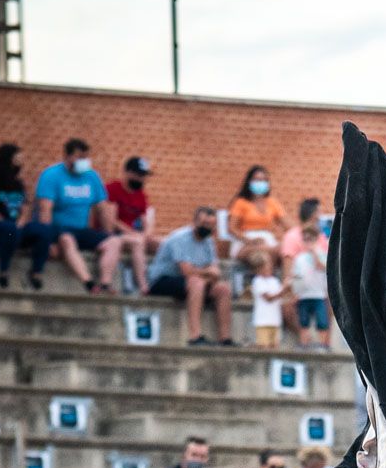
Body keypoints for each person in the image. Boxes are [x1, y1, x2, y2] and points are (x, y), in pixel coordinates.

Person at [0, 142, 51, 289]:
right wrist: (9, 223)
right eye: (17, 159)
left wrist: (21, 222)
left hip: (14, 229)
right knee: (10, 229)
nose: (20, 163)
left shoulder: (17, 183)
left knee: (43, 231)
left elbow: (25, 209)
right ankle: (3, 271)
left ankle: (36, 273)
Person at [146, 207, 235, 346]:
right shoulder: (179, 238)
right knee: (196, 282)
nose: (208, 227)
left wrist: (206, 273)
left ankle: (225, 339)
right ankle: (195, 336)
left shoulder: (209, 242)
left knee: (223, 288)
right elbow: (186, 271)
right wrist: (207, 272)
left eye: (211, 225)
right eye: (204, 223)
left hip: (193, 281)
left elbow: (215, 272)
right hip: (163, 280)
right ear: (194, 222)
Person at [34, 138, 112, 291]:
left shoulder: (92, 177)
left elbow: (102, 208)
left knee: (114, 242)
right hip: (59, 229)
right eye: (79, 157)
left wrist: (108, 233)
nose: (83, 161)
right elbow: (45, 210)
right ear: (67, 156)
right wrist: (47, 241)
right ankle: (88, 282)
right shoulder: (51, 175)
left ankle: (105, 283)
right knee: (67, 240)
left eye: (85, 157)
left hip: (82, 230)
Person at [97, 155, 155, 294]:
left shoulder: (140, 194)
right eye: (139, 175)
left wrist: (146, 234)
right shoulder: (112, 189)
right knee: (137, 242)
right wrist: (135, 234)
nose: (142, 179)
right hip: (112, 234)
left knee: (163, 243)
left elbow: (145, 218)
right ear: (127, 172)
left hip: (132, 235)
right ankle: (143, 285)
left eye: (144, 175)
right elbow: (111, 222)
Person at [286, 212, 332, 349]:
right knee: (303, 321)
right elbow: (296, 275)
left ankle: (323, 344)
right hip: (304, 295)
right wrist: (294, 291)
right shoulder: (299, 258)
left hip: (318, 294)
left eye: (311, 239)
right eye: (305, 239)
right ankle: (304, 344)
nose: (308, 242)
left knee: (322, 321)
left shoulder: (322, 255)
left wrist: (315, 253)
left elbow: (322, 267)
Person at [228, 166, 287, 251]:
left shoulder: (272, 202)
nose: (260, 183)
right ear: (249, 182)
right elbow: (232, 228)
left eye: (264, 180)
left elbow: (286, 223)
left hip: (267, 240)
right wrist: (249, 241)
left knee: (284, 249)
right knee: (261, 255)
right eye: (257, 180)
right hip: (245, 242)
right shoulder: (240, 202)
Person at [244, 244, 288, 349]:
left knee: (275, 346)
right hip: (262, 321)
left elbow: (280, 296)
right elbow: (269, 298)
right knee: (263, 346)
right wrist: (285, 288)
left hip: (275, 320)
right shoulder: (258, 281)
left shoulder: (274, 281)